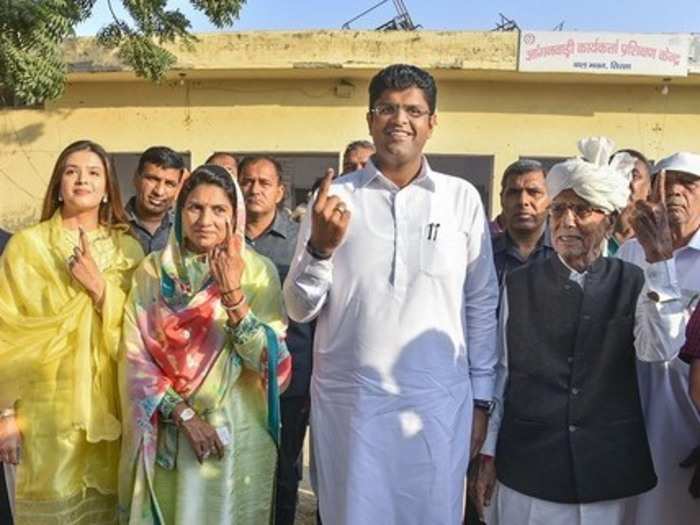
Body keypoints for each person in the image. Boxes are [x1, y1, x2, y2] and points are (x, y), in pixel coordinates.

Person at [284, 64, 499, 525]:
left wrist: (482, 400)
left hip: (438, 404)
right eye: (387, 108)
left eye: (413, 110)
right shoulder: (335, 199)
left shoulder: (461, 198)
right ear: (369, 119)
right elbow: (298, 308)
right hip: (352, 407)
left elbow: (481, 305)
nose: (399, 119)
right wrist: (320, 248)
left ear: (431, 123)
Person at [475, 137, 687, 525]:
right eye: (559, 209)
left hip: (605, 474)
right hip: (529, 468)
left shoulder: (636, 279)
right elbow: (503, 371)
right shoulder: (519, 284)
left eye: (583, 210)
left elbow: (661, 350)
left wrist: (661, 263)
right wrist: (489, 453)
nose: (567, 221)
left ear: (608, 219)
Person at [118, 164, 292, 525]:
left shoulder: (258, 272)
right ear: (179, 212)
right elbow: (135, 355)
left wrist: (232, 296)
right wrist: (182, 414)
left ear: (235, 216)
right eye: (194, 207)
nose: (205, 220)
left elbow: (272, 367)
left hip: (236, 434)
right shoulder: (153, 272)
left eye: (219, 210)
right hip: (168, 428)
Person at [0, 140, 143, 524]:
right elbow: (5, 332)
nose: (82, 180)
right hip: (43, 411)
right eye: (71, 171)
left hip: (109, 412)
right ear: (58, 184)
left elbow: (140, 334)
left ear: (107, 188)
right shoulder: (26, 247)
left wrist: (100, 290)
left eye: (94, 172)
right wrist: (6, 416)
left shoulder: (129, 252)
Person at [617, 151, 700, 524]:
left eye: (688, 182)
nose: (675, 192)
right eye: (666, 182)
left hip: (687, 430)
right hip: (631, 421)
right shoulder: (632, 252)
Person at [238, 155, 314, 525]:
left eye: (263, 183)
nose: (254, 189)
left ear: (280, 192)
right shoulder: (221, 235)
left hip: (287, 382)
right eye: (247, 181)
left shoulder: (300, 242)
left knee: (283, 472)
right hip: (232, 382)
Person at [491, 159, 553, 285]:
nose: (522, 201)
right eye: (514, 193)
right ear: (502, 200)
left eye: (534, 192)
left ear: (551, 201)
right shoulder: (483, 255)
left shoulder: (568, 255)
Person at [125, 146, 185, 255]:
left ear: (178, 188)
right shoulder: (111, 223)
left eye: (169, 184)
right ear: (136, 178)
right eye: (152, 179)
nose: (159, 191)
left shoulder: (185, 230)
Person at [607, 149, 653, 255]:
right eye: (619, 174)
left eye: (634, 176)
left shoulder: (657, 238)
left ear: (650, 187)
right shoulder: (593, 239)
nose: (625, 182)